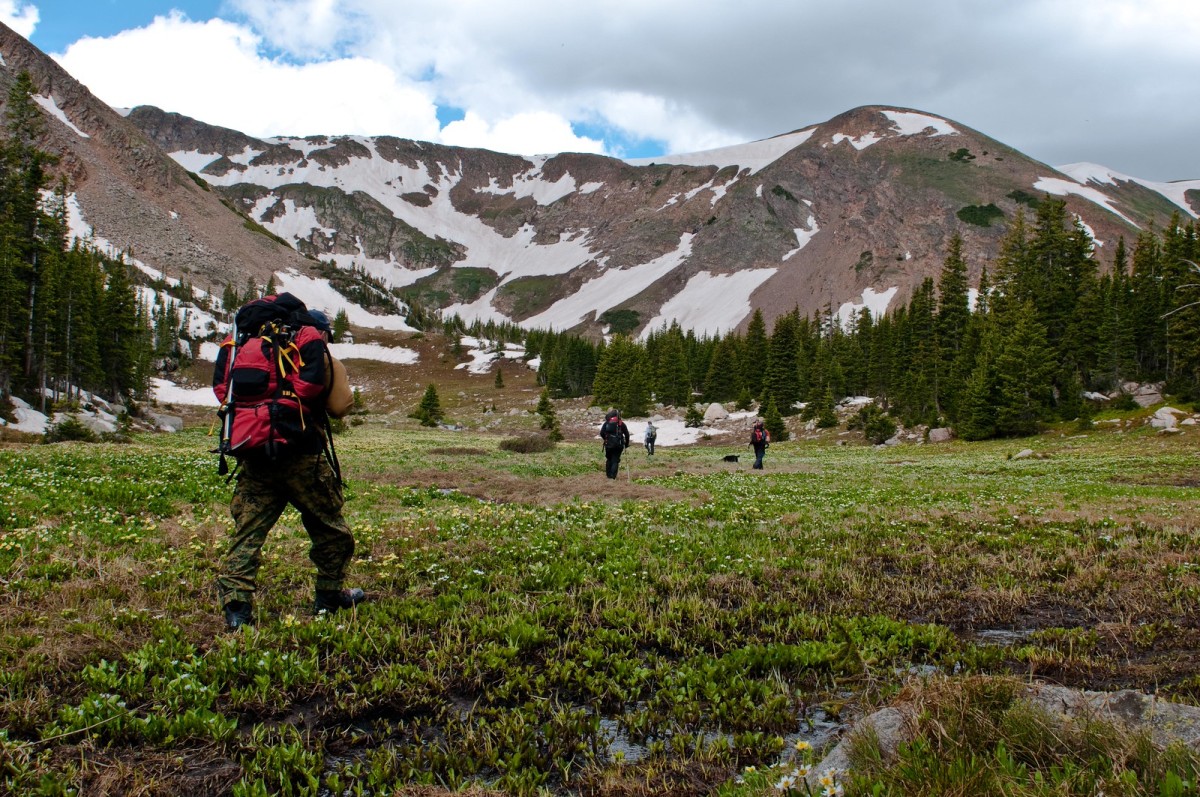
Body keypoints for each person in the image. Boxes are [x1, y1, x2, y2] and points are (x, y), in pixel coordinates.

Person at [216, 308, 365, 630]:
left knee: (248, 533)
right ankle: (328, 596)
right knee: (331, 530)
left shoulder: (250, 348)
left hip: (256, 457)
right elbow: (340, 407)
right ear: (320, 333)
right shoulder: (316, 356)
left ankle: (237, 607)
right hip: (303, 459)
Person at [599, 408, 630, 479]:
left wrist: (606, 439)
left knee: (609, 459)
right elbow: (627, 434)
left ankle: (608, 475)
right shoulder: (621, 423)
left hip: (608, 445)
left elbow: (601, 433)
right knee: (615, 460)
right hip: (618, 445)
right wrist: (626, 444)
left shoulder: (607, 422)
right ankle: (613, 477)